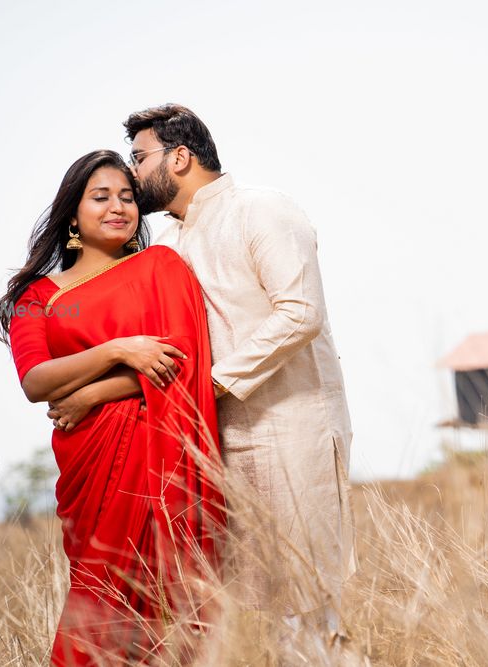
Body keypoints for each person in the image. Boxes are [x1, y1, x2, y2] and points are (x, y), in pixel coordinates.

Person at [122, 103, 356, 646]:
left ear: (179, 157)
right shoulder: (168, 242)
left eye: (139, 158)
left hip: (292, 425)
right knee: (252, 608)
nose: (132, 173)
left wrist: (208, 386)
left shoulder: (262, 210)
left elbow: (300, 311)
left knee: (308, 597)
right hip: (214, 440)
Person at [0, 150, 226, 666]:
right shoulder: (40, 297)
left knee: (170, 607)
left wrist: (92, 391)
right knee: (98, 600)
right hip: (90, 468)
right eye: (101, 197)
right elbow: (35, 382)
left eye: (127, 197)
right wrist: (119, 350)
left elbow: (181, 362)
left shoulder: (160, 267)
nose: (118, 207)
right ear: (72, 213)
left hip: (161, 462)